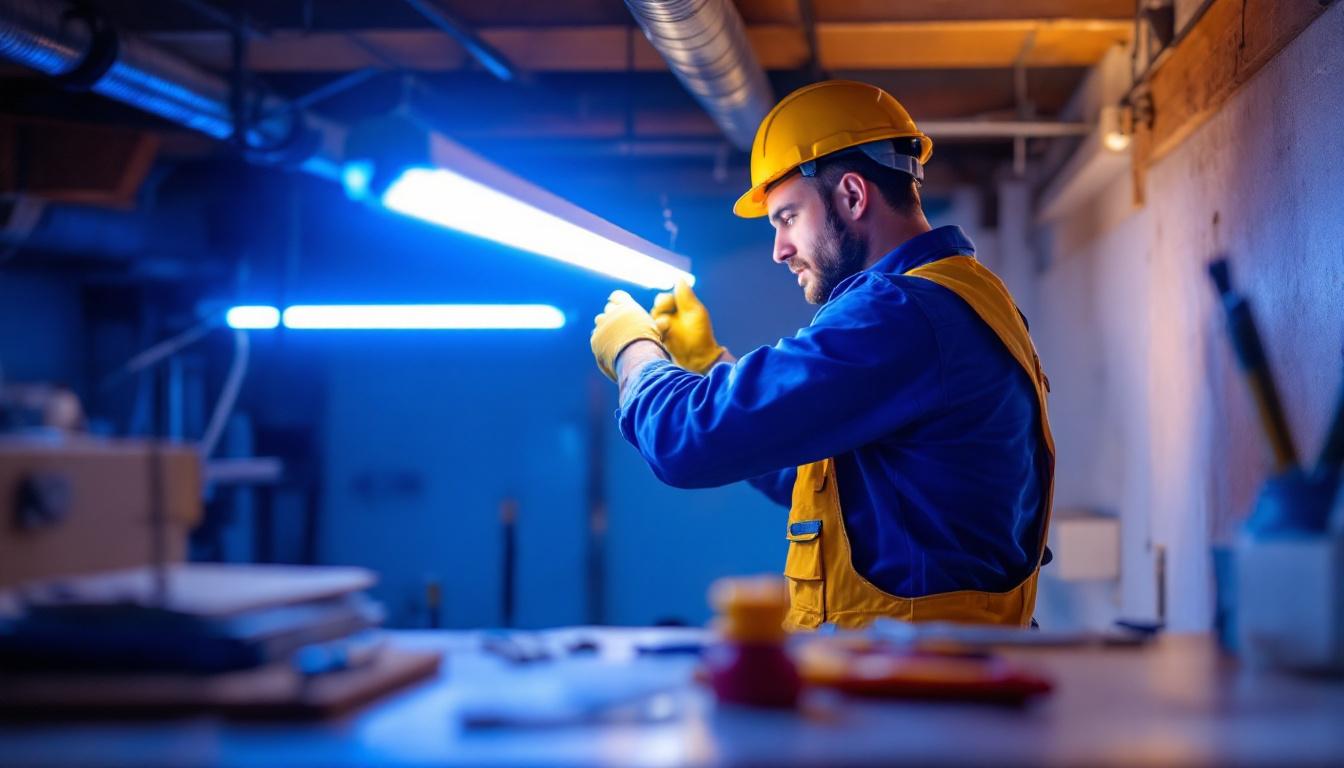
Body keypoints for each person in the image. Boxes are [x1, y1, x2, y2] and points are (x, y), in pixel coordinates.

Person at [589, 80, 1055, 629]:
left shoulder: (900, 312)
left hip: (908, 691)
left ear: (853, 196)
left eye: (787, 217)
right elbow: (818, 479)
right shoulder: (965, 296)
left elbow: (687, 442)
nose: (778, 249)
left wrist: (634, 351)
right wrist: (707, 363)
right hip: (923, 678)